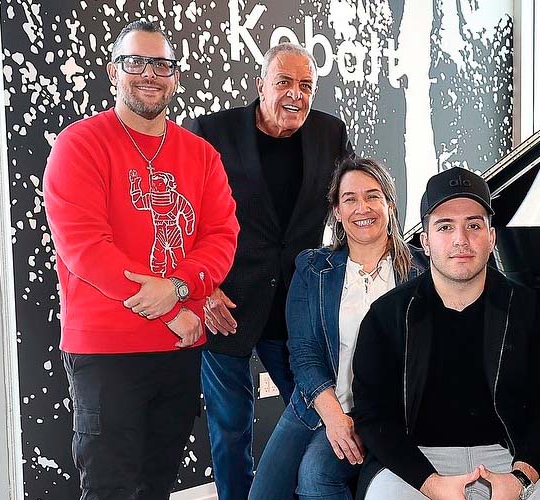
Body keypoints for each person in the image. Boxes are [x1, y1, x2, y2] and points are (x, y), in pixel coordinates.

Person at [43, 20, 239, 500]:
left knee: (157, 486)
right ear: (114, 72)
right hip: (107, 352)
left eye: (161, 65)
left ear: (175, 77)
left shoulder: (202, 155)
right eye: (136, 62)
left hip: (178, 351)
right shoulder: (79, 145)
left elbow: (221, 236)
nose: (149, 74)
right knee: (109, 489)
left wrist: (178, 288)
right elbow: (86, 249)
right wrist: (172, 310)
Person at [352, 167, 540, 500]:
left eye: (473, 225)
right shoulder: (387, 316)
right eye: (445, 227)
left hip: (510, 458)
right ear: (425, 241)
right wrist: (432, 484)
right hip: (417, 462)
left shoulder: (530, 311)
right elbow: (373, 415)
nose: (460, 239)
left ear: (491, 238)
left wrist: (520, 478)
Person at [187, 42, 353, 500]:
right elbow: (182, 217)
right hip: (226, 302)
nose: (295, 94)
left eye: (306, 85)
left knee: (316, 411)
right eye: (284, 82)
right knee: (230, 430)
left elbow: (351, 202)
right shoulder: (211, 131)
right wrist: (203, 288)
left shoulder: (331, 133)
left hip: (296, 305)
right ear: (260, 85)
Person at [248, 157, 426, 499]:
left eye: (373, 196)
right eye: (350, 199)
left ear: (390, 204)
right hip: (318, 402)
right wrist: (333, 416)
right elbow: (303, 352)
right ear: (337, 211)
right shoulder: (313, 268)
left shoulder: (422, 271)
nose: (362, 208)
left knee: (315, 476)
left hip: (386, 412)